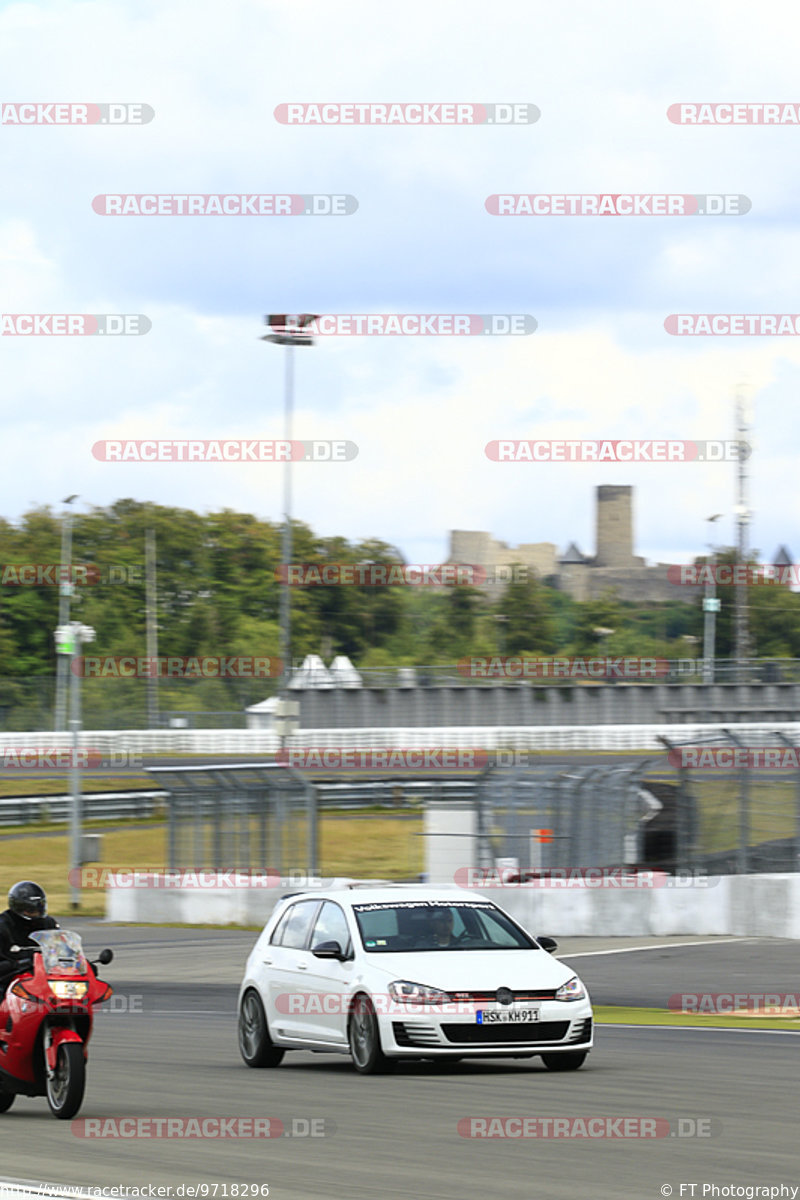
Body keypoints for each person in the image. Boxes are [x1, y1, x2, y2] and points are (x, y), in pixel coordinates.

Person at [0, 881, 59, 1000]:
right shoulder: (3, 926)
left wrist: (83, 963)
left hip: (44, 977)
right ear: (18, 907)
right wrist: (16, 964)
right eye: (31, 910)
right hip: (9, 979)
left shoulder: (48, 924)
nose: (35, 913)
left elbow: (62, 949)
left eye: (38, 908)